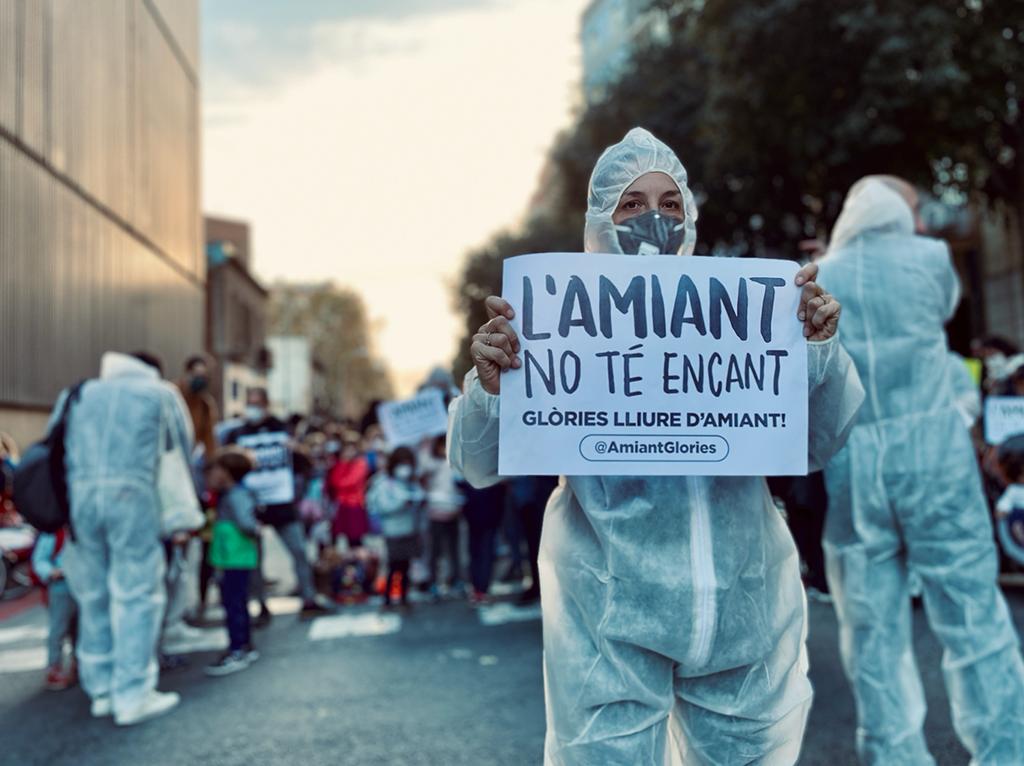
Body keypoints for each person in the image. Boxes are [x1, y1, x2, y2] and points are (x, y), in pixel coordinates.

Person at [449, 128, 863, 764]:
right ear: (599, 220)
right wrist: (491, 384)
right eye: (632, 204)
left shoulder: (748, 319)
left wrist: (814, 349)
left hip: (742, 608)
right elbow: (475, 465)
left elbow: (817, 442)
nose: (653, 219)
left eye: (670, 204)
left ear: (691, 217)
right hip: (611, 617)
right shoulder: (548, 326)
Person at [817, 176, 1024, 764]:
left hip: (856, 458)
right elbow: (944, 309)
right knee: (971, 613)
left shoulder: (823, 275)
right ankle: (1004, 750)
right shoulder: (931, 260)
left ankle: (896, 755)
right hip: (933, 451)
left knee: (872, 630)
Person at [58, 351, 192, 726]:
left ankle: (100, 689)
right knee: (136, 595)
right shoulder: (158, 394)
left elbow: (57, 449)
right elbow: (181, 446)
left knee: (93, 595)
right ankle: (133, 693)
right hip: (134, 498)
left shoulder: (78, 394)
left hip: (81, 500)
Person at [225, 388, 328, 619]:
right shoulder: (237, 434)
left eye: (257, 403)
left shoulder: (283, 429)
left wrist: (297, 450)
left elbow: (304, 462)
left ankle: (308, 598)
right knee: (255, 561)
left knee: (299, 551)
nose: (253, 408)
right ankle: (260, 605)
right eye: (249, 403)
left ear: (266, 404)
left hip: (282, 503)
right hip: (253, 505)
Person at [204, 449, 261, 676]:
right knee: (237, 601)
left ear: (227, 473)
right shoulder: (231, 494)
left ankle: (238, 648)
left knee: (233, 602)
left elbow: (247, 523)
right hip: (235, 557)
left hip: (235, 557)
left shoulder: (236, 495)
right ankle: (244, 645)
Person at [367, 447, 423, 610]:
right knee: (393, 566)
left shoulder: (411, 482)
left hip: (409, 529)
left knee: (406, 566)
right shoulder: (384, 483)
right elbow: (383, 506)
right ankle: (388, 599)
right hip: (392, 531)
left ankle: (404, 597)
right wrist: (402, 504)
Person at [31, 529, 78, 691]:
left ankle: (78, 663)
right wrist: (52, 572)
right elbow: (39, 560)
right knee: (59, 629)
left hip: (82, 588)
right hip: (61, 587)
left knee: (81, 629)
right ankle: (54, 667)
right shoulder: (53, 533)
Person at [421, 435, 465, 597]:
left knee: (453, 549)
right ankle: (433, 582)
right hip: (435, 512)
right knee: (435, 550)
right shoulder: (430, 464)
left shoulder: (456, 464)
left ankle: (455, 579)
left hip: (453, 511)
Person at [326, 432, 370, 549]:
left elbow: (350, 482)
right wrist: (343, 463)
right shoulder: (340, 463)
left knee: (355, 539)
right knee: (338, 539)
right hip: (341, 506)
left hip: (355, 505)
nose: (349, 452)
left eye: (352, 449)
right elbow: (334, 481)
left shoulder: (361, 463)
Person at [463, 483, 504, 606]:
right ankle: (480, 589)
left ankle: (478, 589)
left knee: (477, 554)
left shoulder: (471, 475)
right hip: (485, 517)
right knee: (483, 554)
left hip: (477, 516)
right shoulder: (492, 477)